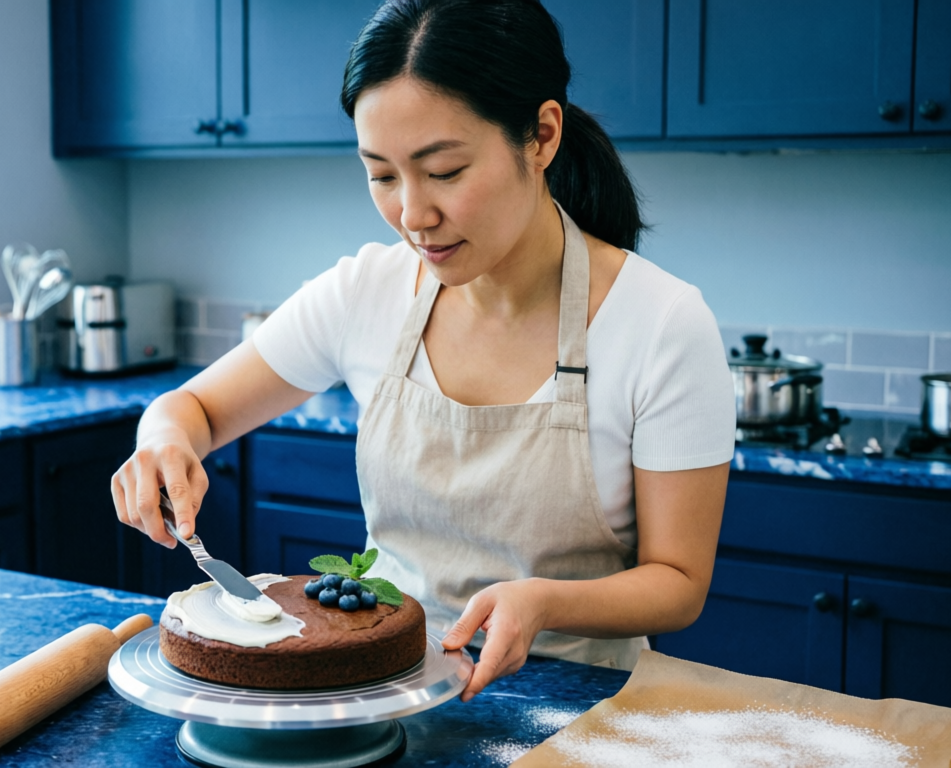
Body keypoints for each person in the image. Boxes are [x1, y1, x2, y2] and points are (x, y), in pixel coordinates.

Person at [111, 0, 734, 701]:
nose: (413, 215)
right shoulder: (364, 292)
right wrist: (162, 441)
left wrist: (542, 601)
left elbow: (679, 583)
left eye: (444, 171)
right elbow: (192, 407)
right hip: (383, 697)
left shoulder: (662, 323)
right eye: (382, 175)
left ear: (541, 136)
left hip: (581, 706)